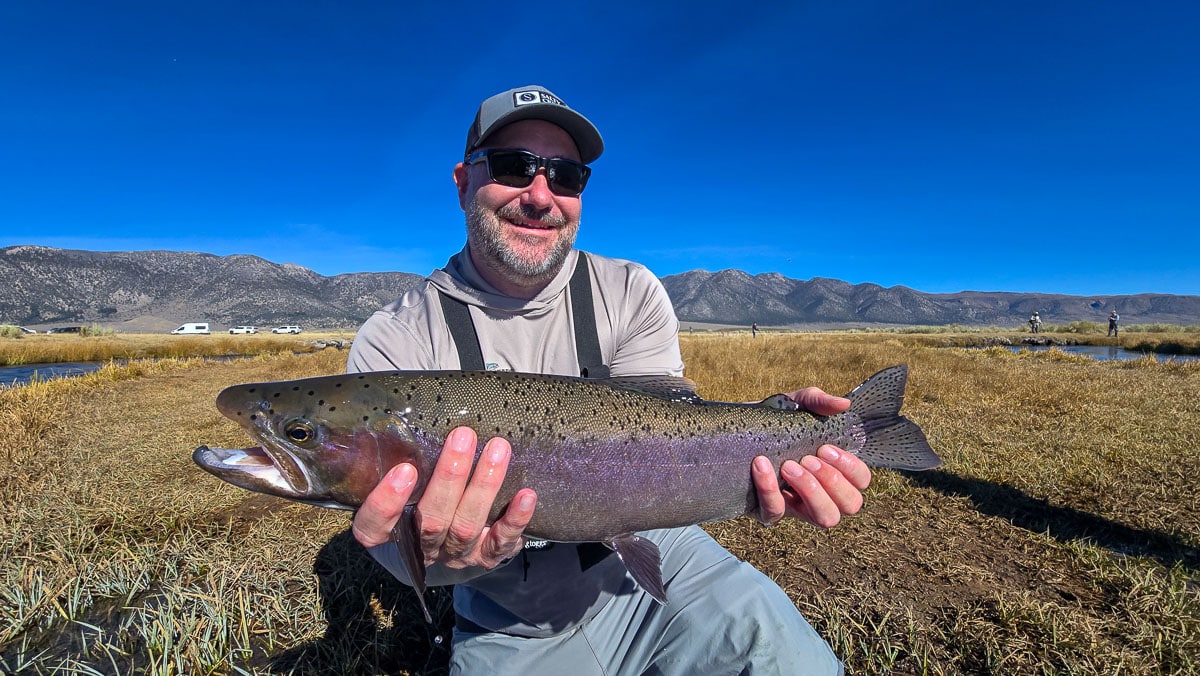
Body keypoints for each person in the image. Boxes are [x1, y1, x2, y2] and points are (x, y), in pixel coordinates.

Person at [346, 85, 870, 675]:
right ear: (464, 181)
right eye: (515, 167)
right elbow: (395, 548)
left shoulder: (630, 291)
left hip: (667, 561)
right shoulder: (394, 342)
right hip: (511, 613)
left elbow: (673, 434)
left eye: (566, 176)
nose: (540, 196)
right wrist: (447, 559)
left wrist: (775, 432)